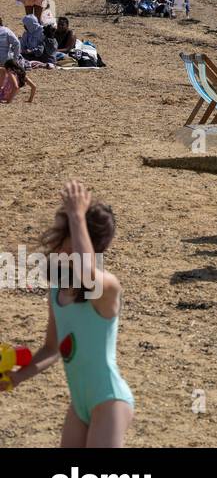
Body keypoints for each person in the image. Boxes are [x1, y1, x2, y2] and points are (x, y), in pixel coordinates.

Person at [8, 180, 134, 446]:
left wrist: (77, 215)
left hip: (109, 400)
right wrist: (19, 376)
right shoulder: (58, 291)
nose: (61, 253)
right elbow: (52, 349)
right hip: (79, 404)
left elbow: (87, 274)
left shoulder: (106, 287)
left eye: (72, 248)